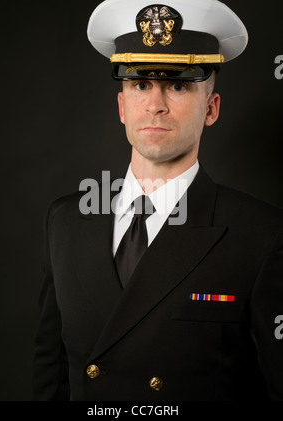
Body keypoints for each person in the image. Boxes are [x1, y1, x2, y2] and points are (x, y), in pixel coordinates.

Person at [33, 0, 283, 401]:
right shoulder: (64, 222)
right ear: (121, 106)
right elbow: (52, 373)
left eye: (179, 85)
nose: (155, 104)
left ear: (212, 109)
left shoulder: (262, 235)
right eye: (141, 84)